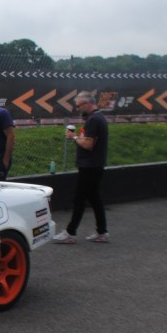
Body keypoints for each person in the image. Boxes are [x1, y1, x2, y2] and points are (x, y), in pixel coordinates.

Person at [53, 93, 109, 243]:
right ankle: (102, 231)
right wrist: (78, 137)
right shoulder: (99, 118)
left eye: (79, 106)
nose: (78, 109)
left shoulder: (93, 120)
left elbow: (89, 145)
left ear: (88, 103)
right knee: (94, 198)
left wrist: (74, 137)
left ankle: (70, 233)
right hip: (95, 165)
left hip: (89, 166)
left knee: (80, 199)